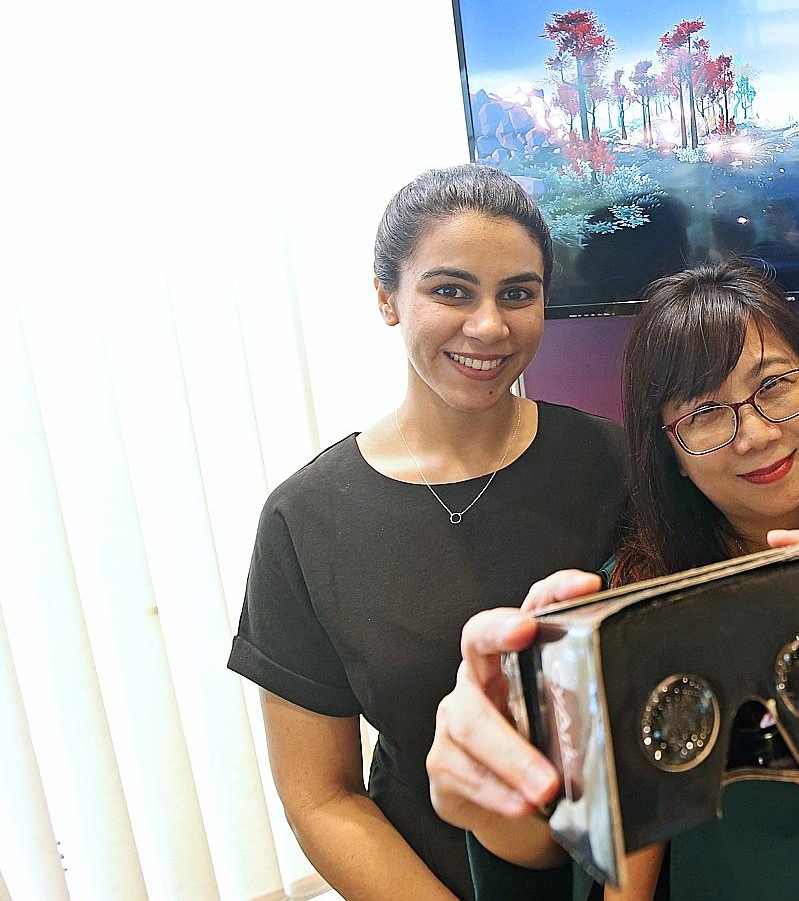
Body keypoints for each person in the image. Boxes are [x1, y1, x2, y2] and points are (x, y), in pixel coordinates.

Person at [427, 259, 799, 901]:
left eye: (775, 385)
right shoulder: (633, 603)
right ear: (671, 455)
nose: (754, 433)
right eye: (704, 413)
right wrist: (500, 801)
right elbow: (606, 854)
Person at [227, 164, 629, 900]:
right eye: (450, 290)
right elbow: (320, 794)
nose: (489, 325)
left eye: (518, 293)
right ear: (387, 297)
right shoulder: (305, 520)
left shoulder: (617, 465)